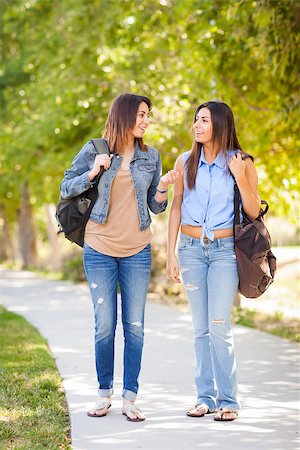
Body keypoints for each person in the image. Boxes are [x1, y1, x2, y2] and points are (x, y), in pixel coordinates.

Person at [60, 93, 178, 422]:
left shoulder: (151, 156)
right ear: (125, 115)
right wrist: (93, 172)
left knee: (135, 327)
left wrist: (164, 186)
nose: (146, 121)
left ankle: (130, 398)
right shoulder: (94, 150)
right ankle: (103, 394)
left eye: (147, 116)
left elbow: (155, 207)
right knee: (104, 326)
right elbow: (65, 187)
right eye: (141, 114)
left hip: (137, 250)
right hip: (99, 247)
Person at [167, 101, 261, 422]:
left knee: (219, 325)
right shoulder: (185, 161)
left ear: (219, 124)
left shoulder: (241, 162)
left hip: (224, 252)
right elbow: (176, 208)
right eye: (196, 119)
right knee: (200, 328)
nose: (196, 125)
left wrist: (240, 176)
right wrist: (170, 253)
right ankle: (204, 397)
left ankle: (229, 400)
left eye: (204, 120)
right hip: (191, 250)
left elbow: (252, 210)